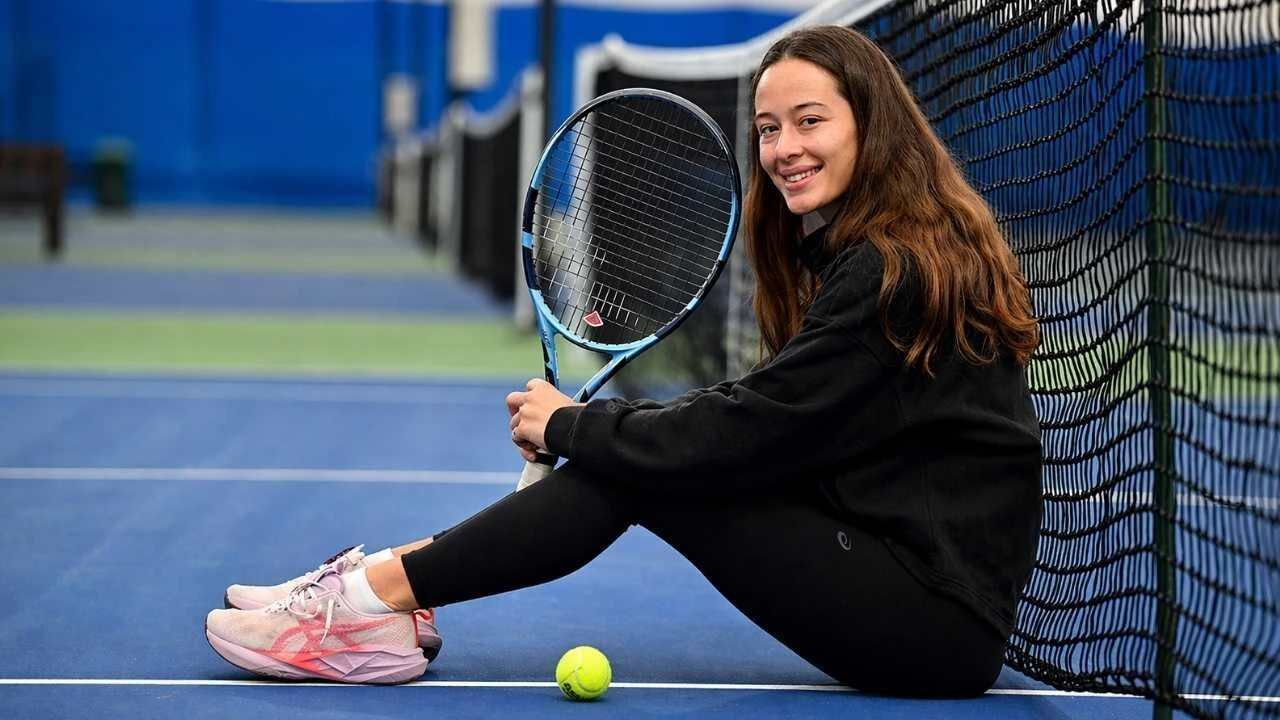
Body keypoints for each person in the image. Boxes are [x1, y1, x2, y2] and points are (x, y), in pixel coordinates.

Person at [205, 24, 1042, 698]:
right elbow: (769, 413)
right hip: (902, 572)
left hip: (933, 625)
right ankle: (388, 590)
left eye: (811, 121)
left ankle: (369, 603)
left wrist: (576, 426)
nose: (784, 147)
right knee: (639, 456)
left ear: (872, 124)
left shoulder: (893, 271)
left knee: (638, 470)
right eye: (769, 128)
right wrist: (586, 429)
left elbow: (752, 427)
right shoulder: (888, 251)